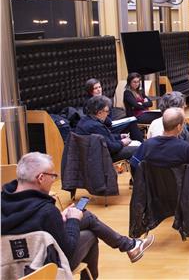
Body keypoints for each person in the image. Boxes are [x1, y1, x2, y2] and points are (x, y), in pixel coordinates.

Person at [1, 153, 154, 279]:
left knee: (86, 217)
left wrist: (61, 218)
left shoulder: (4, 199)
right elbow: (67, 251)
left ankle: (129, 245)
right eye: (53, 176)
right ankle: (128, 246)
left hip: (7, 262)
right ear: (41, 178)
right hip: (41, 266)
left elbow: (29, 225)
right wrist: (73, 220)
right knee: (90, 235)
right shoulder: (46, 211)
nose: (54, 179)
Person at [132, 108, 189, 206]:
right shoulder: (184, 148)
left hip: (156, 191)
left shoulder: (147, 145)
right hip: (181, 191)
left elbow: (134, 165)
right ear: (179, 127)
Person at [75, 95, 138, 162]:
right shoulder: (96, 126)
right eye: (107, 111)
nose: (108, 114)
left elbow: (105, 138)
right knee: (138, 149)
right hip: (101, 158)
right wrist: (122, 142)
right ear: (99, 113)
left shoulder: (84, 120)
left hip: (91, 155)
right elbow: (111, 148)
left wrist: (119, 136)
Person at [83, 78, 144, 143]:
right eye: (95, 88)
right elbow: (105, 121)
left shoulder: (102, 99)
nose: (99, 90)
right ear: (90, 91)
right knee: (132, 123)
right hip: (104, 129)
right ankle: (142, 145)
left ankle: (137, 144)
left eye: (99, 87)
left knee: (131, 121)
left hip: (108, 125)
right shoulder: (90, 103)